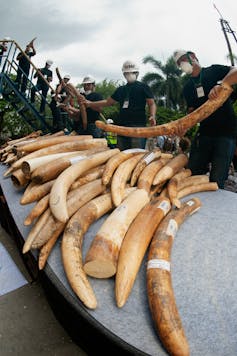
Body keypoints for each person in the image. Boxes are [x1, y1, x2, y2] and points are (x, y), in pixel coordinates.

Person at [173, 49, 237, 189]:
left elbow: (235, 71)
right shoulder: (188, 88)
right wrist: (183, 127)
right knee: (193, 173)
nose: (182, 64)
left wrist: (222, 84)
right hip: (204, 133)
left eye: (183, 59)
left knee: (217, 179)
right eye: (179, 64)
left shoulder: (214, 70)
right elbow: (191, 114)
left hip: (226, 132)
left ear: (193, 56)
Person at [78, 60, 156, 150]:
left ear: (137, 73)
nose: (129, 75)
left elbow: (152, 104)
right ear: (124, 74)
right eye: (127, 73)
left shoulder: (143, 87)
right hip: (121, 127)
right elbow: (108, 102)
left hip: (138, 126)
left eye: (132, 72)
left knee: (136, 153)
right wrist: (90, 104)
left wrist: (152, 116)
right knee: (122, 154)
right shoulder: (121, 90)